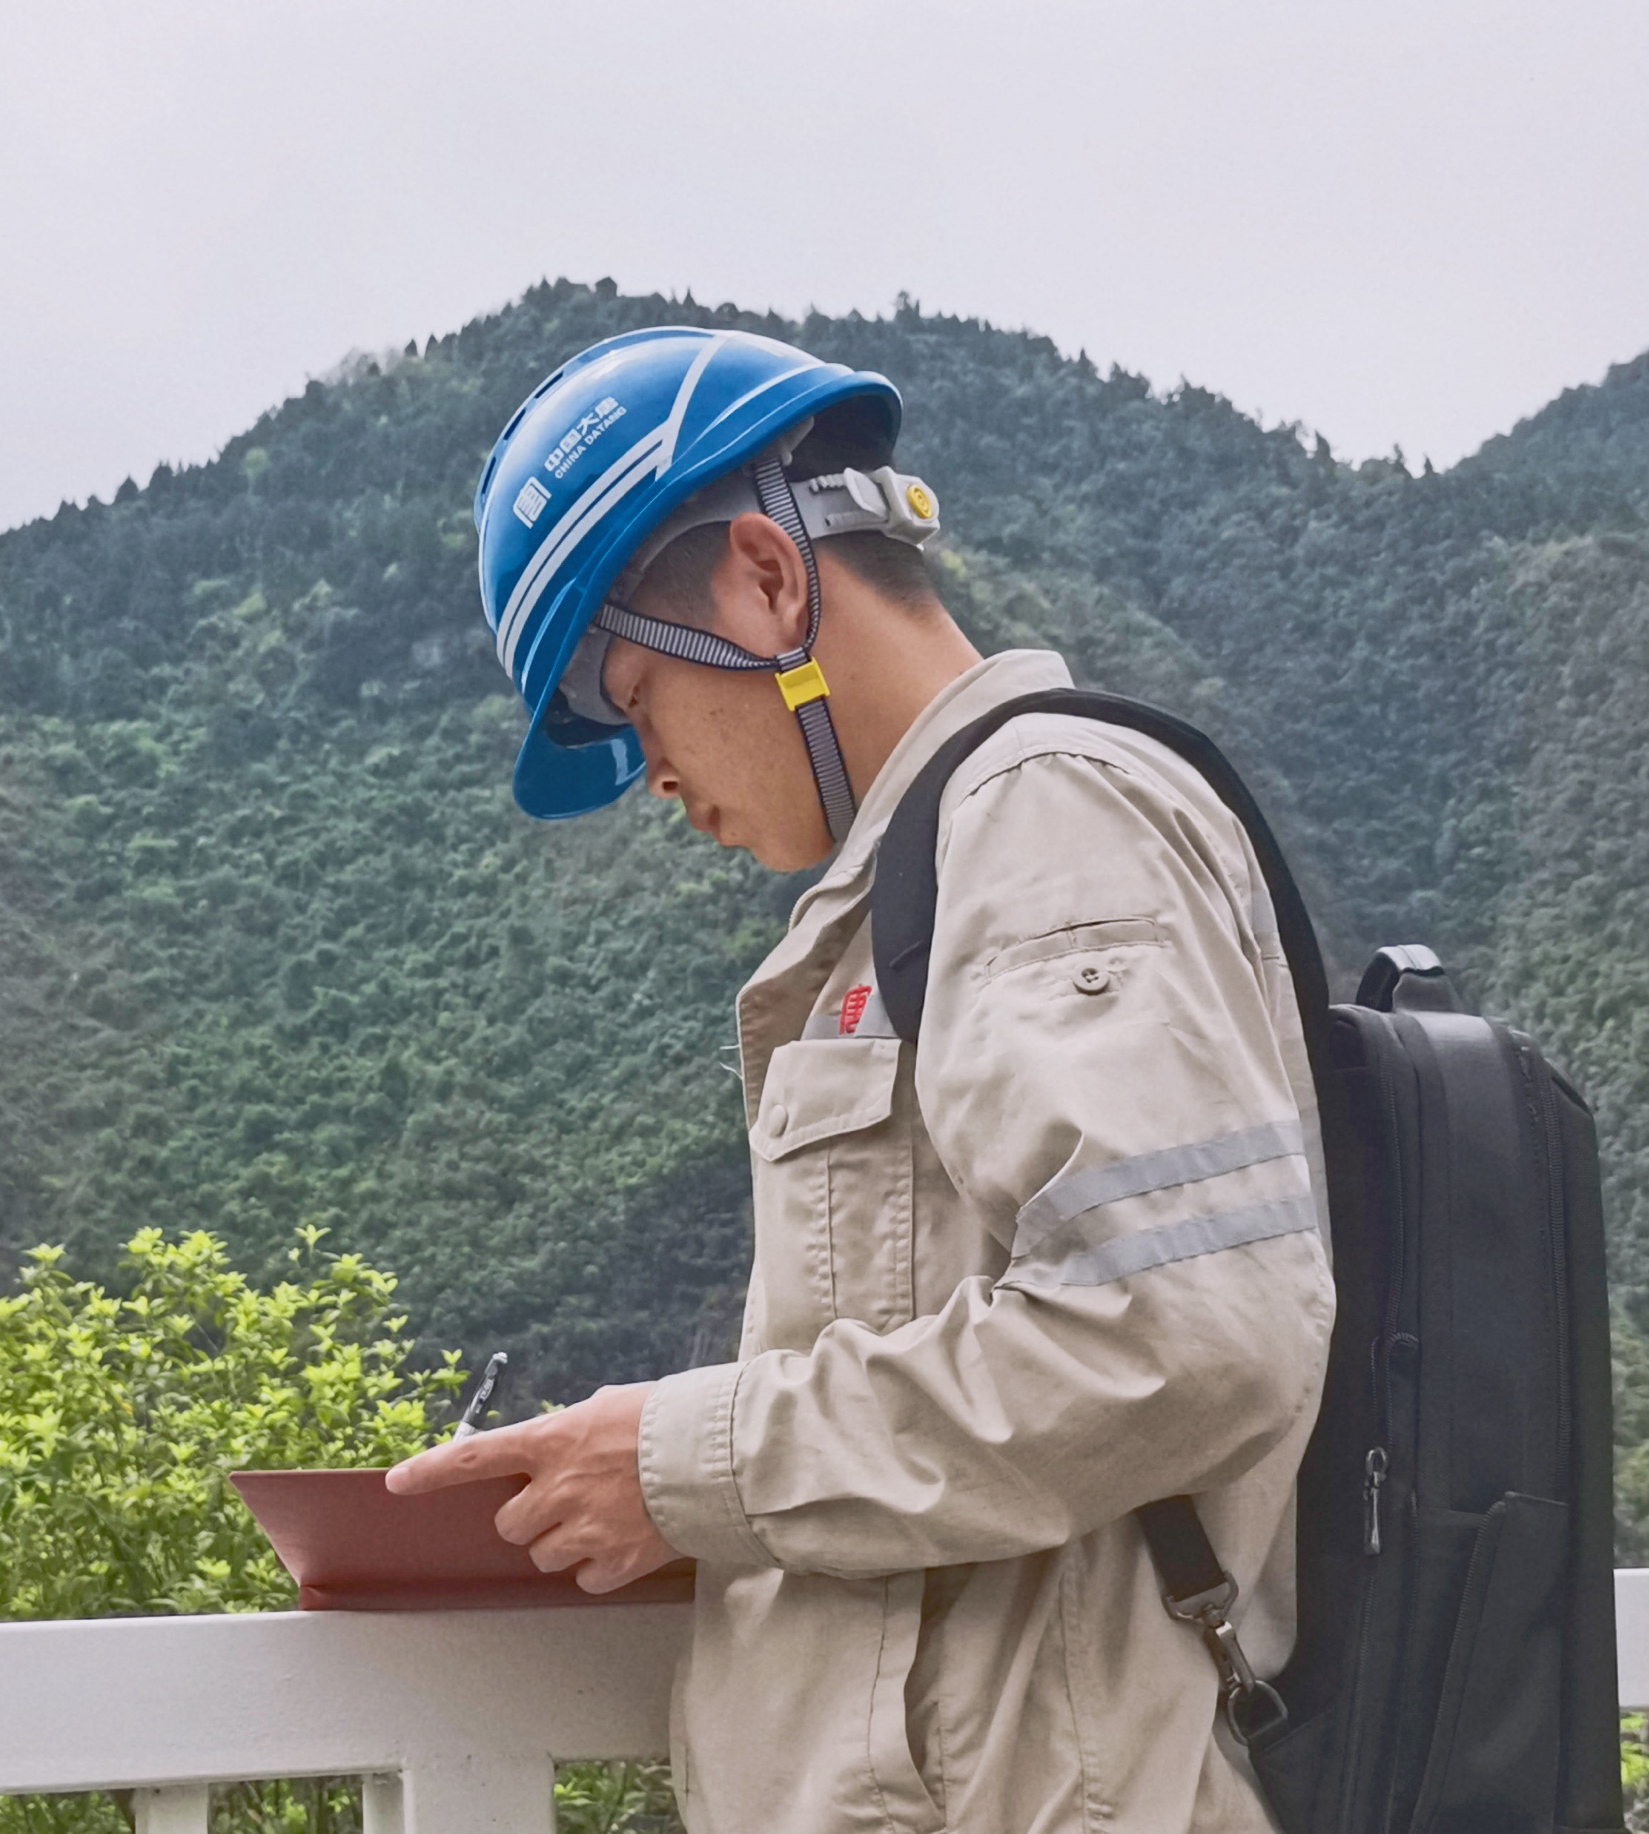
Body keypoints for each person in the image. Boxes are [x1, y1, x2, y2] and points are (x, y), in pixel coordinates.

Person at [389, 327, 1334, 1833]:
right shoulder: (929, 871)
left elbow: (1188, 1332)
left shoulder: (1041, 819)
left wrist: (688, 1465)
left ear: (768, 581)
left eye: (636, 698)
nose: (654, 776)